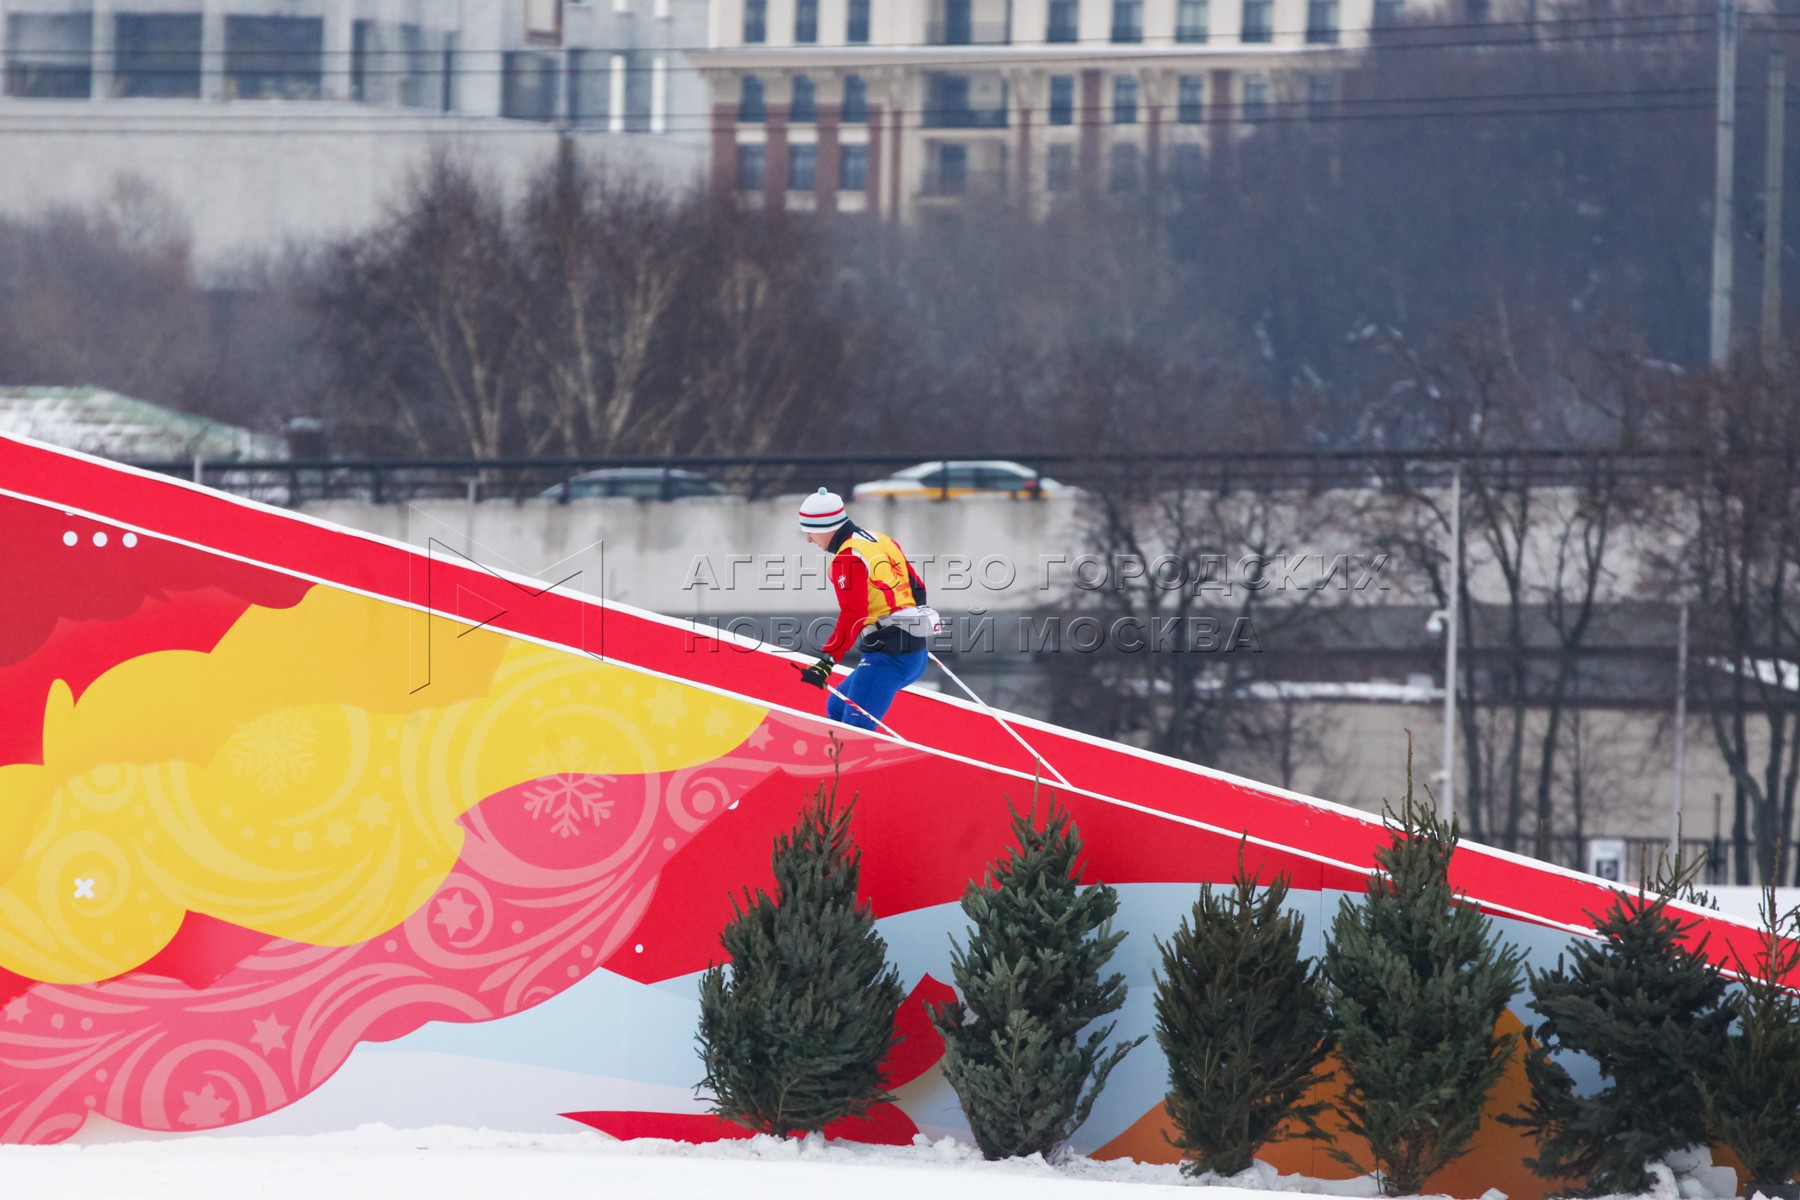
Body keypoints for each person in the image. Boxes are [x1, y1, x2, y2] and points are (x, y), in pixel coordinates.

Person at [794, 488, 937, 731]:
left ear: (825, 527)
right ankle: (836, 766)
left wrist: (827, 661)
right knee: (837, 707)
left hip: (888, 657)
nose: (809, 539)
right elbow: (918, 589)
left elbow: (854, 614)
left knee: (856, 730)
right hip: (912, 653)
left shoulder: (847, 558)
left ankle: (852, 768)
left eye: (810, 532)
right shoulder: (881, 540)